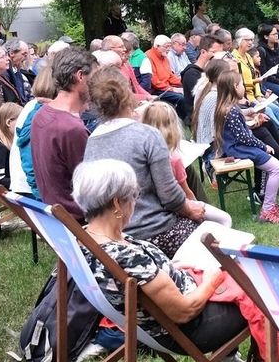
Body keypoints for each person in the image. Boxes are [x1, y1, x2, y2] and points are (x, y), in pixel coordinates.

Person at [72, 160, 248, 355]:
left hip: (156, 328)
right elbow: (185, 312)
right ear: (116, 203)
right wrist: (211, 282)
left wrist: (170, 268)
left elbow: (147, 279)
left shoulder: (84, 240)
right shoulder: (126, 258)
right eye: (134, 195)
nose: (135, 202)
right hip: (191, 328)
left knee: (241, 277)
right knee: (265, 298)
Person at [83, 67, 206, 255]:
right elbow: (170, 195)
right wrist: (191, 210)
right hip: (155, 231)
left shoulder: (91, 141)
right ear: (128, 94)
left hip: (115, 236)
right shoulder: (147, 135)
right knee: (214, 241)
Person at [141, 101, 231, 227]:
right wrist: (198, 211)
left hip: (152, 210)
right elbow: (186, 192)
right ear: (173, 127)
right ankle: (220, 243)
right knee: (225, 219)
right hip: (179, 207)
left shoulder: (141, 156)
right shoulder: (174, 158)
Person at [31, 48, 96, 220]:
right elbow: (91, 187)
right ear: (80, 76)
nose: (97, 84)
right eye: (94, 78)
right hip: (80, 219)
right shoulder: (71, 128)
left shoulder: (42, 114)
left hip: (57, 215)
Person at [213, 71, 279, 223]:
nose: (244, 87)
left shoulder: (226, 107)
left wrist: (250, 115)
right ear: (234, 87)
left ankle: (267, 203)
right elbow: (243, 137)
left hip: (236, 147)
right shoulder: (231, 110)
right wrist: (263, 145)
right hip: (239, 148)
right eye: (241, 84)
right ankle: (268, 209)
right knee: (277, 168)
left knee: (272, 166)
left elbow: (239, 127)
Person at [9, 69, 57, 198]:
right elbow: (28, 158)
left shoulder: (32, 106)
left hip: (28, 185)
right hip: (33, 189)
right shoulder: (39, 113)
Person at [180, 34, 223, 123]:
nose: (218, 57)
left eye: (220, 53)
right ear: (203, 52)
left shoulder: (214, 70)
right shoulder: (192, 73)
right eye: (214, 52)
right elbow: (204, 100)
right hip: (199, 119)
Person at [140, 35, 186, 117]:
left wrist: (184, 83)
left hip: (166, 87)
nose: (169, 49)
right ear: (157, 46)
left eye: (169, 47)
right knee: (181, 98)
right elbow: (154, 82)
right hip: (156, 90)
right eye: (166, 47)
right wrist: (173, 89)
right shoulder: (148, 57)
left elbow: (171, 76)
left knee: (187, 91)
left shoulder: (164, 57)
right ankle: (181, 120)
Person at [100, 35, 152, 102]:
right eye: (121, 47)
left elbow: (136, 86)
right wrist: (146, 97)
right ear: (110, 49)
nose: (124, 49)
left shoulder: (126, 63)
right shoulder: (105, 68)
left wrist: (150, 97)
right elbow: (121, 96)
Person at [5, 38, 33, 103]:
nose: (26, 58)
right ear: (12, 53)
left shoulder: (17, 71)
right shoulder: (5, 73)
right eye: (24, 54)